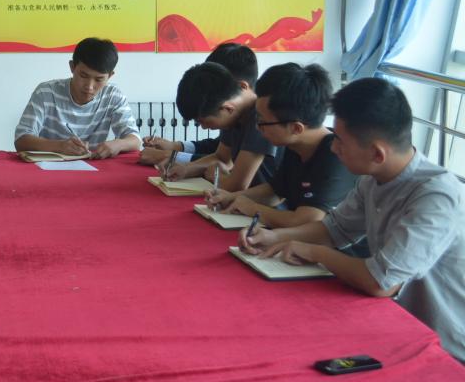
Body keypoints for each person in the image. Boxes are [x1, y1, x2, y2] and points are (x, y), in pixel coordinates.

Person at [241, 78, 465, 362]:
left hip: (444, 346)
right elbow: (333, 229)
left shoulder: (437, 196)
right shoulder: (373, 178)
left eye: (340, 141)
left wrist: (315, 253)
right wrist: (273, 237)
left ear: (377, 153)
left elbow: (381, 282)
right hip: (394, 324)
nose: (333, 148)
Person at [206, 63, 356, 228]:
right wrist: (232, 198)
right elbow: (274, 192)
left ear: (296, 128)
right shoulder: (296, 145)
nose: (257, 128)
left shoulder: (335, 155)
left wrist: (252, 208)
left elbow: (307, 221)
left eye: (262, 122)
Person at [169, 43, 279, 192]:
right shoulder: (234, 115)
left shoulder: (261, 117)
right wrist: (187, 169)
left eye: (203, 121)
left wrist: (217, 177)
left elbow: (237, 185)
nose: (203, 127)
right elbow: (221, 157)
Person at [14, 37, 140, 159]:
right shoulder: (46, 92)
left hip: (94, 166)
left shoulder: (113, 95)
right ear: (72, 67)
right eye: (83, 76)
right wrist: (59, 146)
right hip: (48, 166)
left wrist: (118, 144)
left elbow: (135, 140)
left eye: (99, 79)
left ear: (110, 76)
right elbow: (21, 140)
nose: (89, 87)